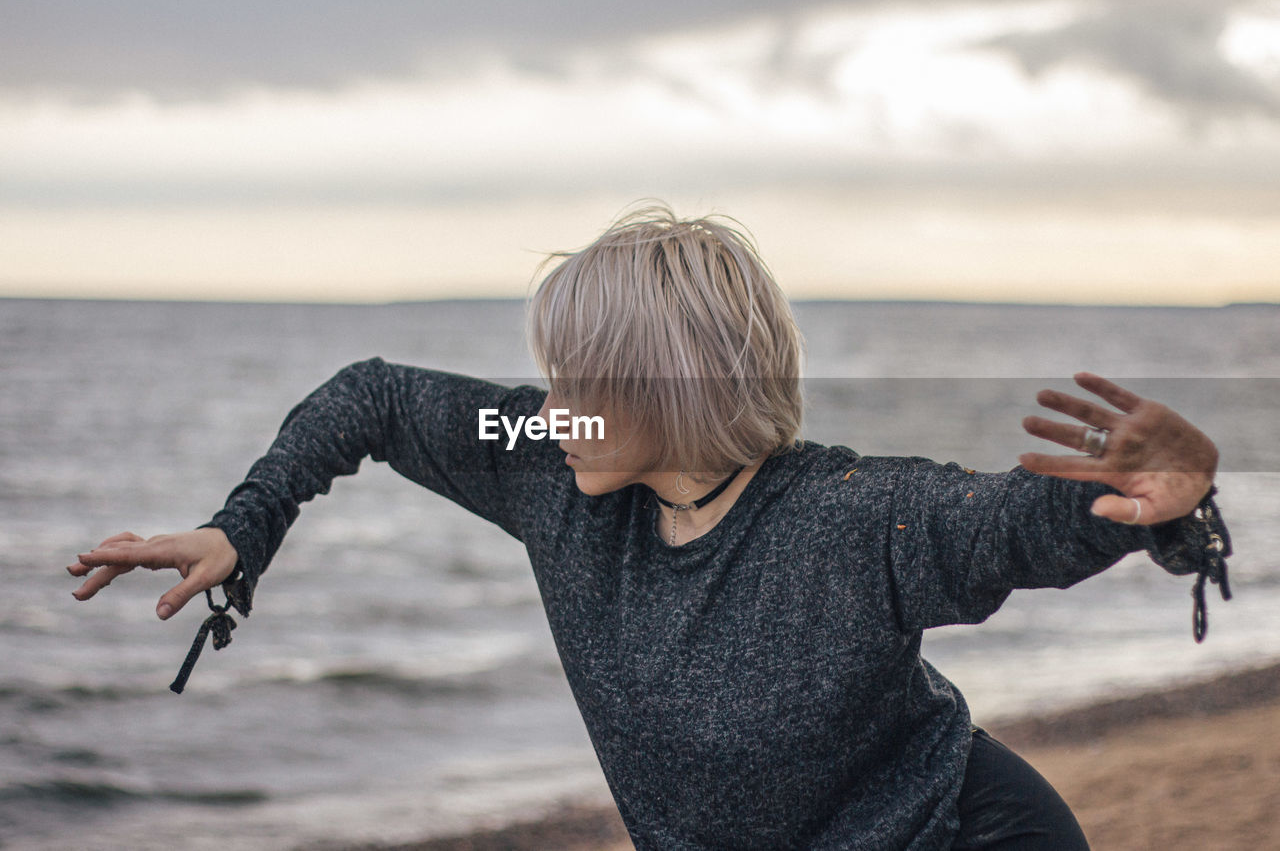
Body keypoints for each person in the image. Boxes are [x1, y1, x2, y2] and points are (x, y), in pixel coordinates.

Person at [66, 206, 1230, 850]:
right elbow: (370, 395)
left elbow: (1011, 521)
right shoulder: (554, 460)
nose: (546, 401)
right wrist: (242, 529)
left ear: (670, 385)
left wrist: (1157, 508)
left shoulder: (842, 519)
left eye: (577, 374)